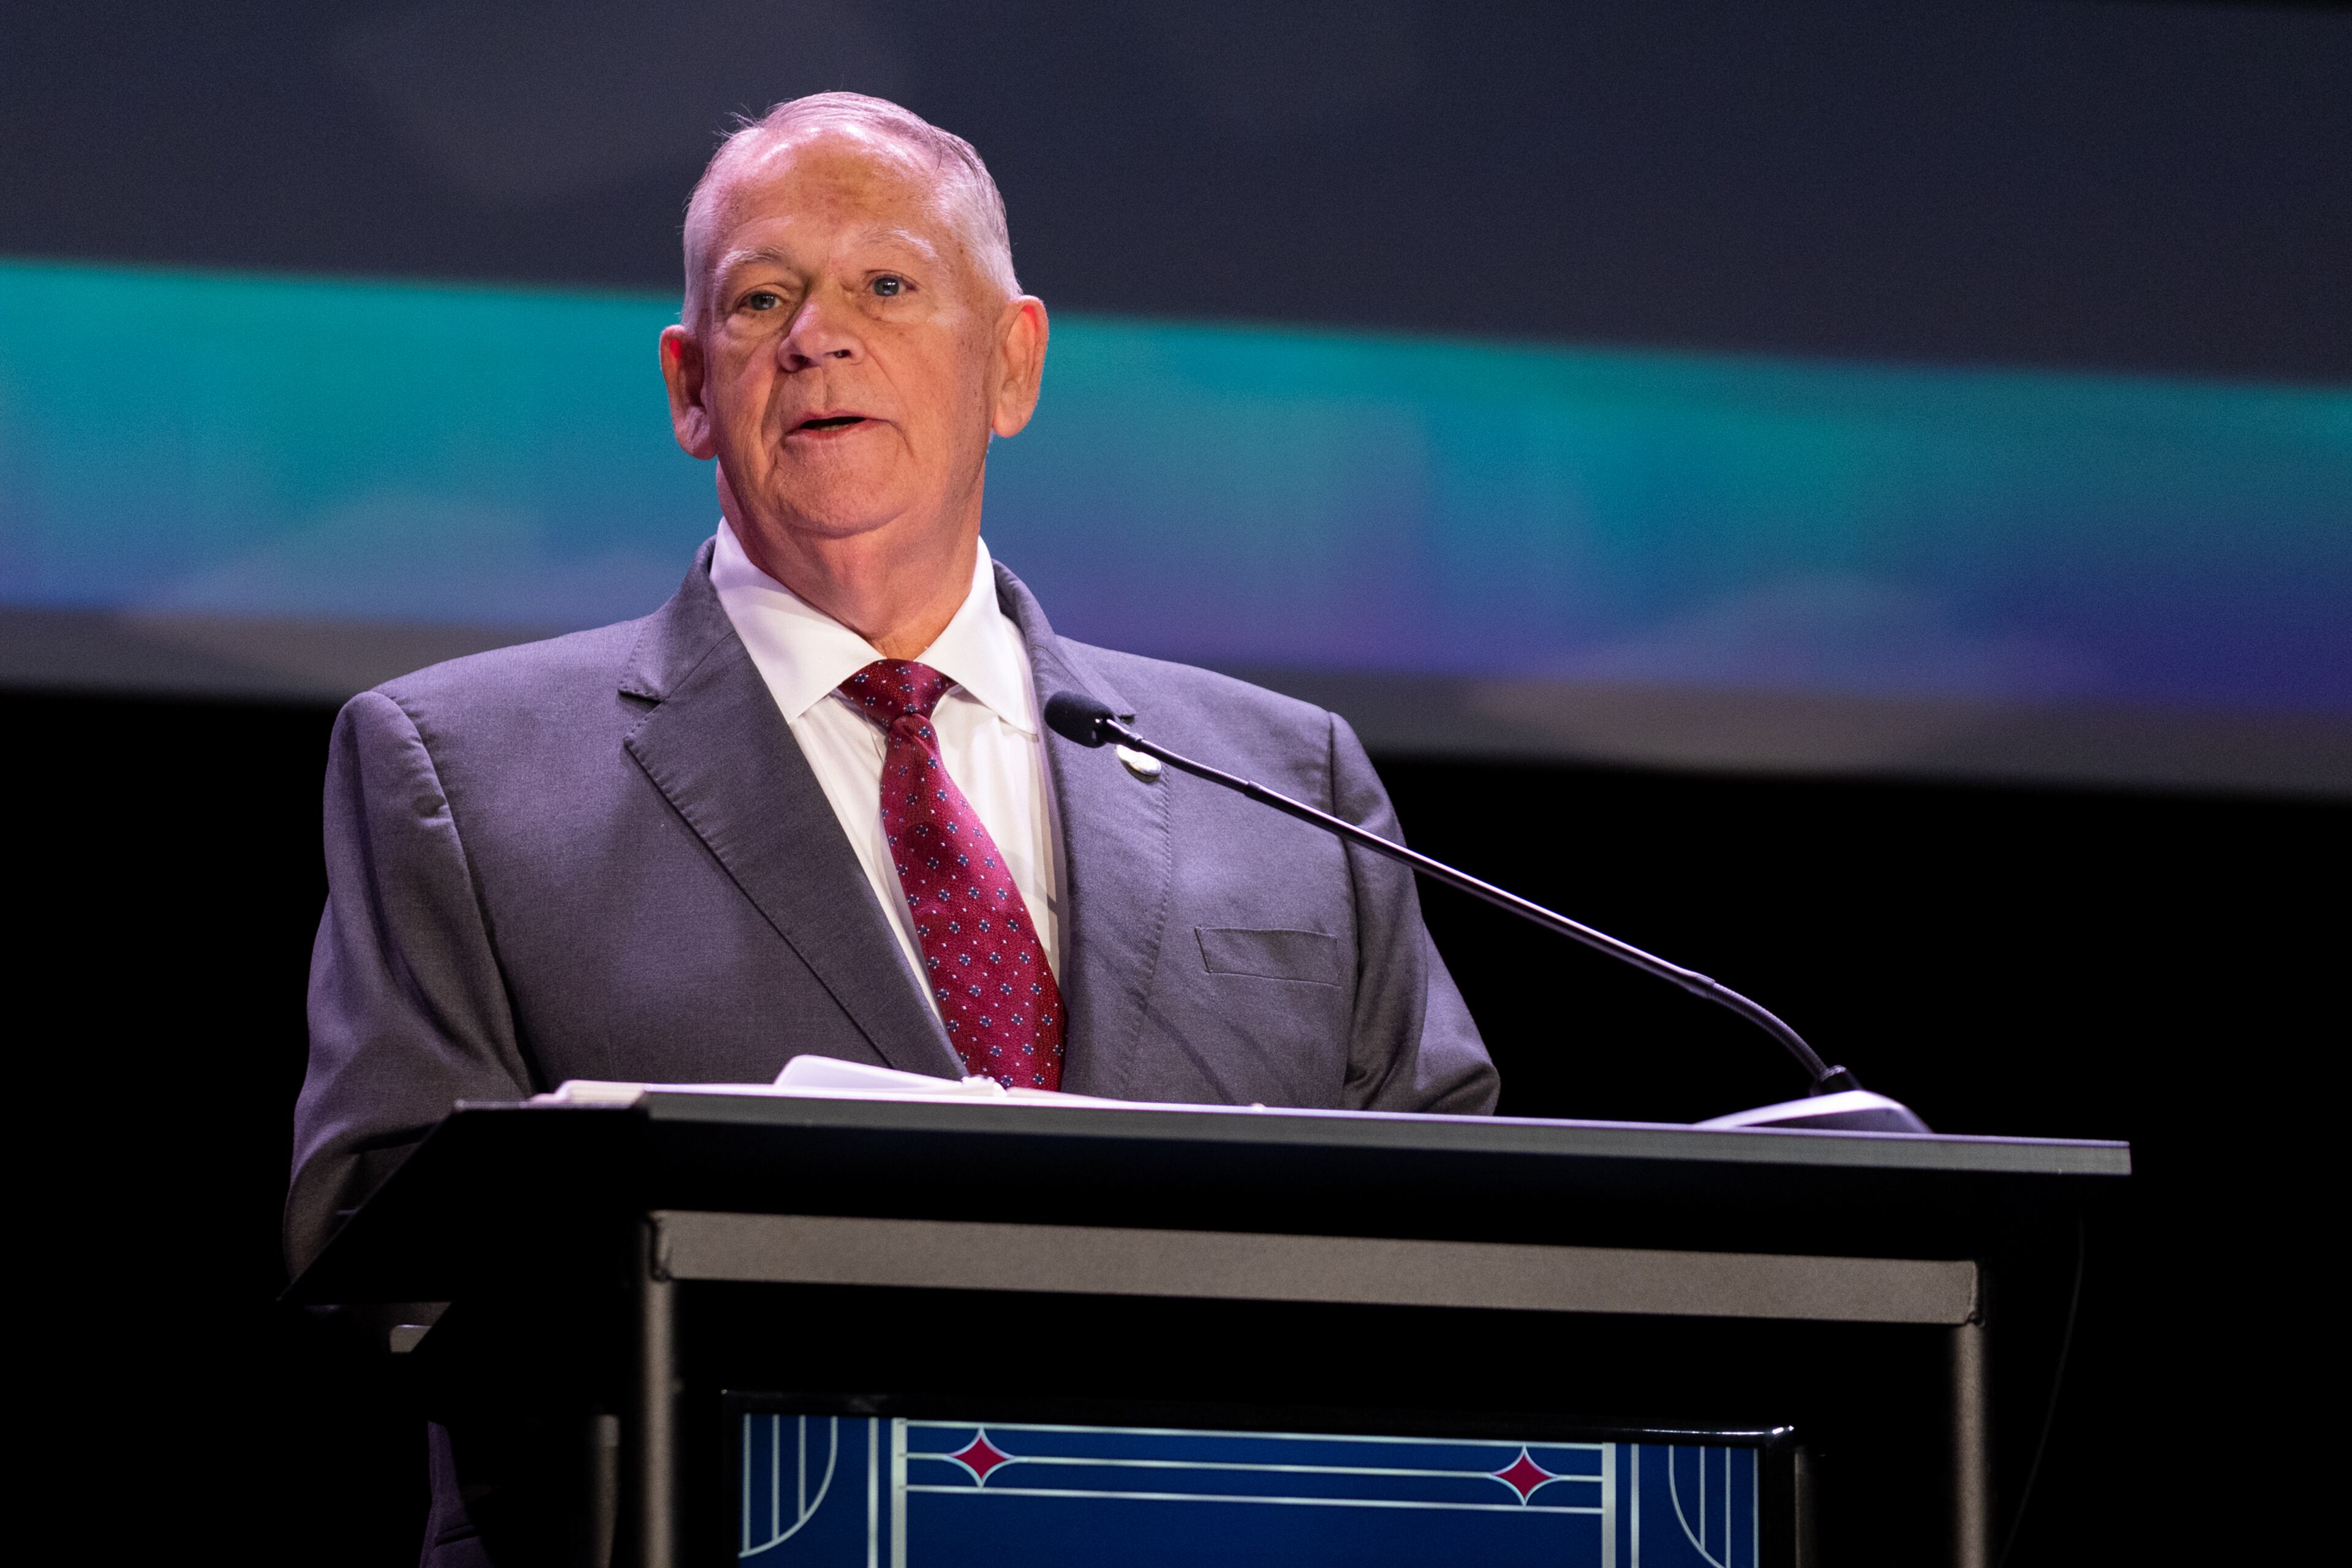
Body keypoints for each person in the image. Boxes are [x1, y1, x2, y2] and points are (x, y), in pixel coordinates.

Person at [288, 92, 1496, 1562]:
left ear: (1013, 360)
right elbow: (378, 1254)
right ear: (688, 385)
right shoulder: (461, 771)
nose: (818, 336)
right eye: (762, 297)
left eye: (886, 284)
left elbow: (1468, 1248)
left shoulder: (1285, 775)